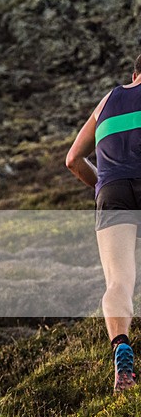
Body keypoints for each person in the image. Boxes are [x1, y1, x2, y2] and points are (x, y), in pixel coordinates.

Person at [67, 53, 141, 393]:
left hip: (112, 192)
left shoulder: (109, 100)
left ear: (134, 73)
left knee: (118, 282)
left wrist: (102, 185)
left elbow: (72, 159)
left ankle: (121, 345)